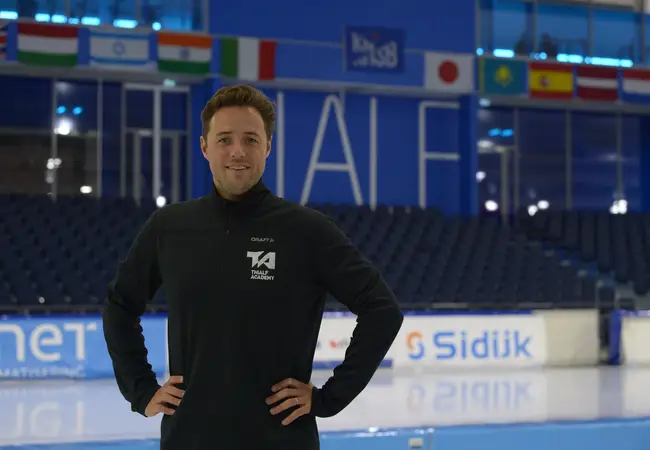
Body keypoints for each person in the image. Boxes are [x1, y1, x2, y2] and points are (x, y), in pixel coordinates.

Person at [102, 84, 404, 450]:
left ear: (267, 147)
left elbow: (382, 309)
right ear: (205, 147)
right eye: (225, 139)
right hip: (189, 439)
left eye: (250, 139)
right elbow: (120, 305)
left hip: (281, 440)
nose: (237, 151)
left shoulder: (306, 231)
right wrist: (141, 390)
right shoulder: (169, 227)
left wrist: (329, 397)